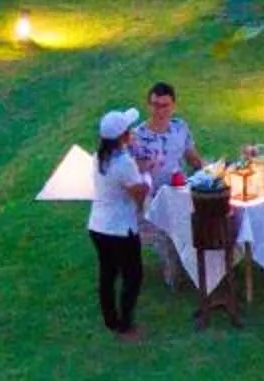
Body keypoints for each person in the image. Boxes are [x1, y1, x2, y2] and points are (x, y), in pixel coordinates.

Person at [87, 109, 152, 337]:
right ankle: (126, 325)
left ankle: (110, 320)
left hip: (98, 225)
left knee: (107, 273)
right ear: (123, 136)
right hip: (120, 229)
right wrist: (147, 177)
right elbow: (138, 195)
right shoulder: (124, 162)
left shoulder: (99, 157)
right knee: (133, 275)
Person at [129, 79, 205, 182]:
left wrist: (210, 173)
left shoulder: (180, 127)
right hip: (152, 196)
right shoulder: (137, 137)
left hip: (178, 191)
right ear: (148, 105)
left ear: (174, 106)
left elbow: (194, 160)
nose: (160, 111)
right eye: (155, 105)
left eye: (165, 106)